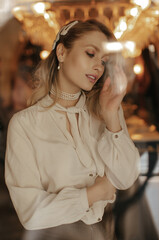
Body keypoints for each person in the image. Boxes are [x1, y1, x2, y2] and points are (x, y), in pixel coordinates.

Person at [5, 19, 140, 240]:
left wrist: (111, 115)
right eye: (90, 53)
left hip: (106, 233)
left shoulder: (106, 110)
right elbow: (30, 213)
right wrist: (92, 194)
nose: (98, 66)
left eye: (104, 61)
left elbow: (126, 178)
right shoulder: (24, 125)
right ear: (62, 52)